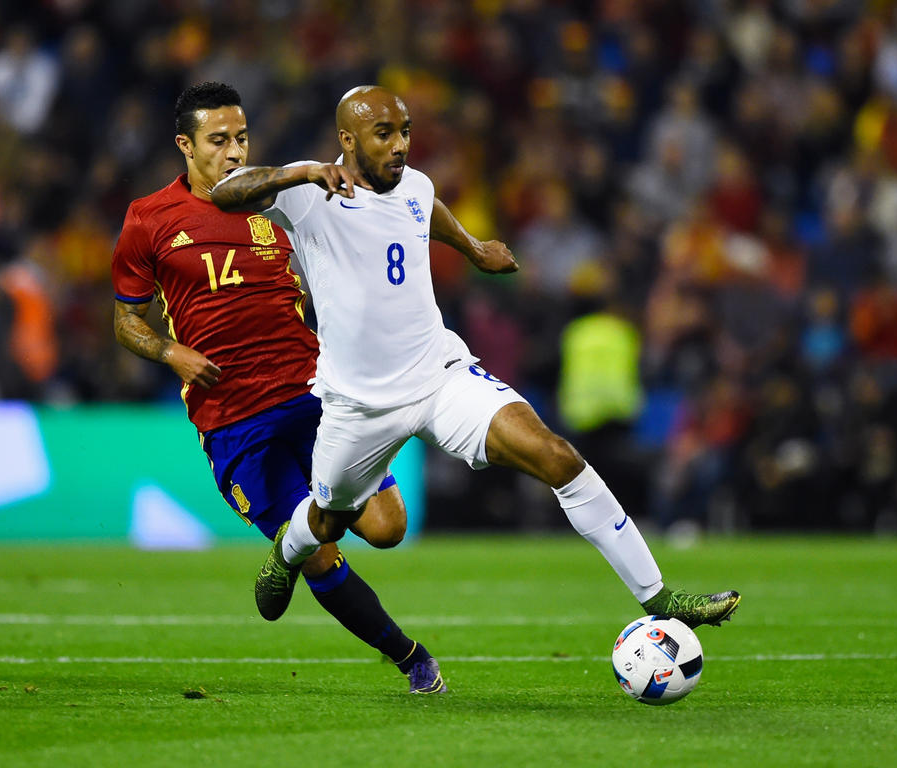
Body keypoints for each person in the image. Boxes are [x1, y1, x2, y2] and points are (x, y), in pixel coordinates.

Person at [212, 85, 741, 630]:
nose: (401, 146)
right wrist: (298, 174)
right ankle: (286, 552)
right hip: (358, 402)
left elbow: (426, 207)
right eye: (384, 134)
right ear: (347, 139)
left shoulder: (414, 184)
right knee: (330, 519)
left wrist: (472, 246)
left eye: (406, 132)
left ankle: (658, 597)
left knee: (555, 455)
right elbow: (226, 193)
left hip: (440, 377)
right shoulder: (310, 190)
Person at [111, 82, 446, 694]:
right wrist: (168, 350)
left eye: (241, 138)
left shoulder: (279, 202)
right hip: (232, 418)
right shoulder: (149, 219)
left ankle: (286, 554)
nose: (234, 152)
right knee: (321, 552)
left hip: (317, 393)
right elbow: (125, 318)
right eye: (218, 141)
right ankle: (410, 656)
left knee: (388, 528)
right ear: (185, 145)